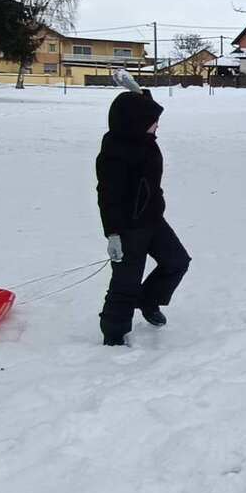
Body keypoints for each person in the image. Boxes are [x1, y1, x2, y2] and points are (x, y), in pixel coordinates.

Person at [96, 87, 190, 346]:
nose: (157, 125)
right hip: (128, 227)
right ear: (135, 122)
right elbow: (107, 197)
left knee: (177, 262)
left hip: (153, 220)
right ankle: (113, 333)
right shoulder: (114, 154)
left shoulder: (142, 139)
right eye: (153, 121)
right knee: (125, 282)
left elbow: (139, 109)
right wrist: (113, 233)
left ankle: (147, 299)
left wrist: (140, 93)